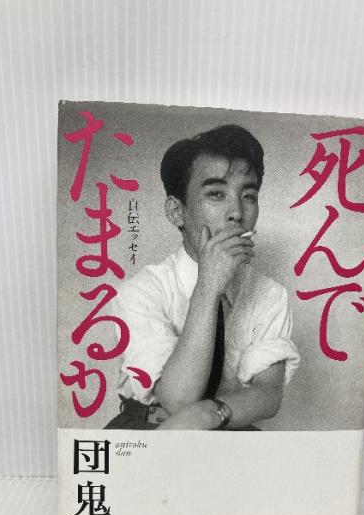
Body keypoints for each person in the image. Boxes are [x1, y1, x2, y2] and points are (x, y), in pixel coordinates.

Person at [106, 124, 300, 430]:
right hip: (148, 429)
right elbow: (177, 399)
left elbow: (268, 395)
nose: (237, 212)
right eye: (216, 194)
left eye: (249, 195)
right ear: (177, 212)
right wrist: (208, 287)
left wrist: (210, 414)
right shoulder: (141, 291)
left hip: (224, 424)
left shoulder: (269, 294)